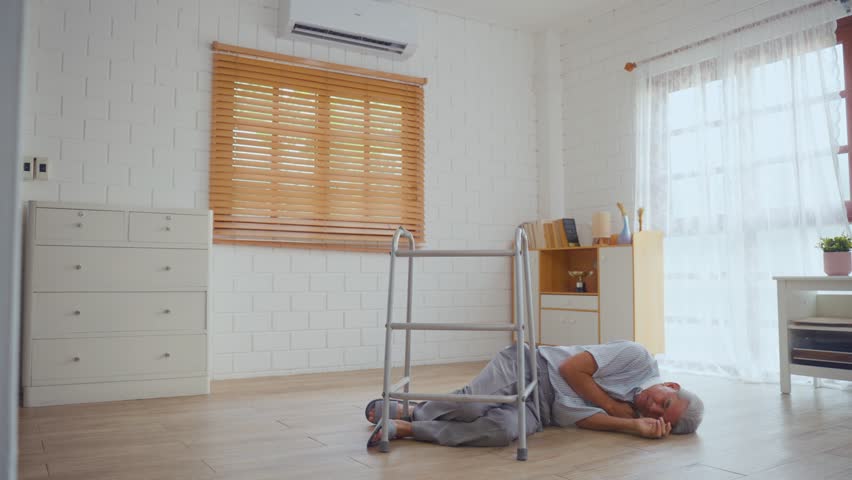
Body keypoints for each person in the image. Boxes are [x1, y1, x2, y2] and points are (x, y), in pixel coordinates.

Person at [365, 340, 704, 448]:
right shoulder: (638, 357)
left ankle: (408, 428)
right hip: (530, 365)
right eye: (664, 401)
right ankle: (409, 409)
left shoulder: (632, 416)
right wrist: (613, 407)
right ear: (670, 385)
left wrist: (632, 426)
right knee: (472, 407)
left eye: (660, 416)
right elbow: (571, 369)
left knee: (499, 432)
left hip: (541, 411)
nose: (655, 408)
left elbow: (567, 416)